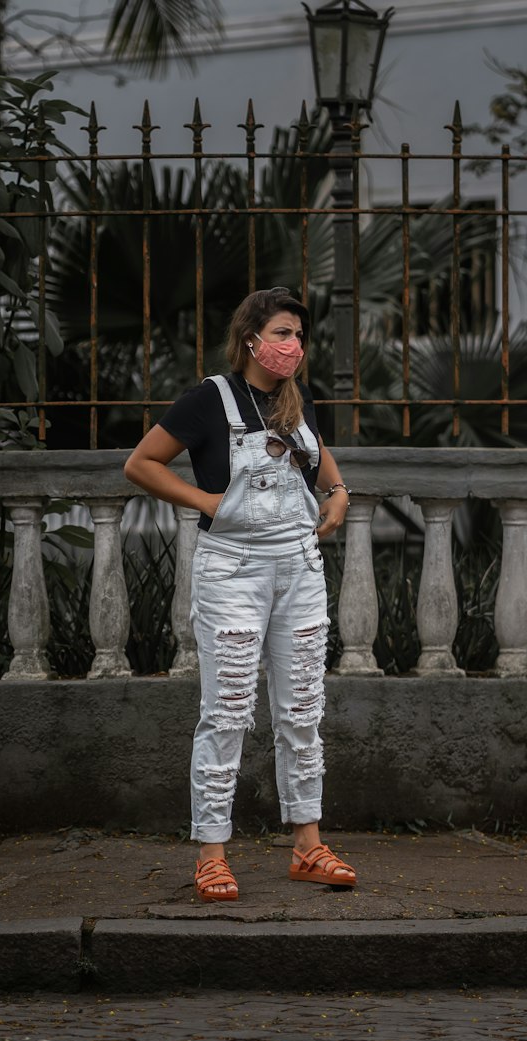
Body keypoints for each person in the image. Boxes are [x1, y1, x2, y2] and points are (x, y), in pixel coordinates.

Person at [124, 287, 356, 901]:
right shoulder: (211, 399)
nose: (294, 347)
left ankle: (307, 846)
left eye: (300, 337)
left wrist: (338, 495)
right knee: (227, 711)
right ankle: (211, 853)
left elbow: (320, 460)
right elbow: (142, 463)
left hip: (299, 570)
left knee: (302, 711)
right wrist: (206, 504)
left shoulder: (291, 403)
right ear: (250, 337)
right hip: (233, 572)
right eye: (282, 333)